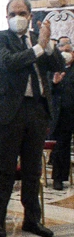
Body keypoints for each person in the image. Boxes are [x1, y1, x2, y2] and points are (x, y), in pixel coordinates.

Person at [0, 0, 63, 237]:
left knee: (32, 169)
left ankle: (32, 219)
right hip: (9, 110)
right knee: (4, 167)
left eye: (22, 13)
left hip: (36, 109)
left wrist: (47, 46)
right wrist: (39, 47)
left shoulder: (38, 37)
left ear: (30, 16)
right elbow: (8, 63)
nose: (17, 17)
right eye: (13, 13)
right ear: (7, 17)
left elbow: (57, 64)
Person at [50, 36, 74, 191]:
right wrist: (54, 83)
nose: (65, 53)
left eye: (68, 50)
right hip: (62, 112)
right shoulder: (55, 68)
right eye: (62, 50)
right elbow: (48, 90)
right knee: (61, 146)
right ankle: (58, 178)